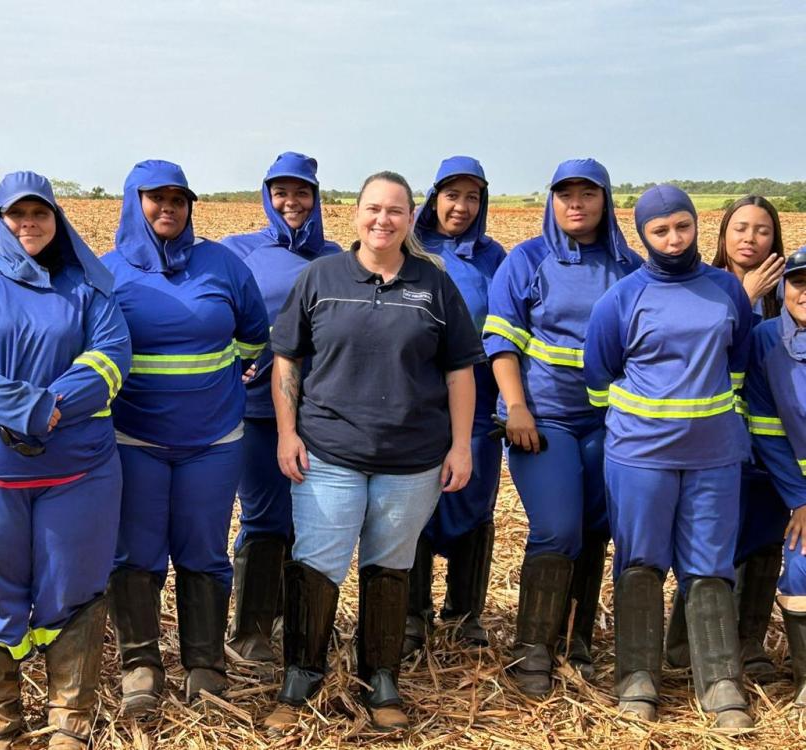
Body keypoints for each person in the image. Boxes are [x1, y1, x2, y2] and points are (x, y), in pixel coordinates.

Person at [263, 171, 480, 732]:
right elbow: (287, 357)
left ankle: (381, 677)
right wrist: (287, 432)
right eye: (373, 209)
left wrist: (461, 445)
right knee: (316, 563)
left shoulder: (434, 286)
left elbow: (459, 370)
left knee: (390, 565)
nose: (383, 220)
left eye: (395, 210)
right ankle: (301, 676)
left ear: (410, 219)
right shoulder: (321, 277)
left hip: (412, 459)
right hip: (329, 451)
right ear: (355, 213)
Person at [0, 171, 131, 750]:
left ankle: (70, 716)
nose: (28, 224)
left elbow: (111, 358)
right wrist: (25, 408)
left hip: (78, 474)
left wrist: (50, 407)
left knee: (74, 581)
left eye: (40, 214)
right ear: (0, 220)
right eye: (17, 214)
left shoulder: (87, 289)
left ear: (56, 220)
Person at [585, 185, 754, 728]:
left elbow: (738, 360)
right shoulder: (622, 298)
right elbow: (599, 373)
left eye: (683, 226)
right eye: (660, 231)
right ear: (643, 234)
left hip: (714, 454)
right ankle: (637, 679)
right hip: (639, 456)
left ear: (696, 224)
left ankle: (721, 683)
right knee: (640, 561)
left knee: (710, 564)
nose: (674, 239)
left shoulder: (727, 290)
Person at [103, 160, 269, 713]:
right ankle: (141, 666)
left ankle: (204, 662)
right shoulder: (107, 273)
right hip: (135, 439)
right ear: (134, 202)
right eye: (156, 198)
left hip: (213, 440)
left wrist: (220, 380)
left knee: (203, 548)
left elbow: (253, 336)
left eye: (178, 199)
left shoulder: (222, 264)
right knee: (136, 551)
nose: (168, 208)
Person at [482, 158, 642, 694]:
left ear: (605, 200)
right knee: (557, 527)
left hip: (610, 422)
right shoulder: (527, 260)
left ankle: (577, 641)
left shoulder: (630, 267)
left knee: (596, 528)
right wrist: (516, 408)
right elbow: (502, 340)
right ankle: (532, 650)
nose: (576, 204)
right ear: (552, 200)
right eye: (565, 194)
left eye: (588, 194)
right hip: (543, 419)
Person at [220, 152, 341, 663]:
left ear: (316, 196)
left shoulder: (336, 258)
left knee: (307, 518)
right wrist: (235, 363)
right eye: (281, 192)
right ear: (267, 196)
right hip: (256, 410)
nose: (292, 202)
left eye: (302, 192)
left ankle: (293, 621)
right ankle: (249, 631)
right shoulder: (238, 251)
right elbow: (215, 314)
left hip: (319, 411)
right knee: (264, 514)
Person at [664, 196, 788, 682]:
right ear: (722, 235)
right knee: (712, 535)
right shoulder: (703, 287)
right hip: (712, 435)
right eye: (740, 228)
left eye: (762, 230)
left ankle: (749, 642)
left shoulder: (790, 292)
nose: (750, 238)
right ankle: (685, 643)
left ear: (775, 240)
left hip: (772, 440)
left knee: (765, 535)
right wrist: (744, 296)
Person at [404, 155, 506, 655]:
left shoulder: (494, 257)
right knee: (414, 497)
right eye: (452, 195)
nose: (461, 207)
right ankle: (412, 613)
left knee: (474, 493)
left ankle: (466, 613)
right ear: (434, 198)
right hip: (418, 395)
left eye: (472, 197)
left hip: (480, 395)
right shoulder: (411, 250)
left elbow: (508, 324)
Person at [743, 247, 806, 709]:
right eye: (800, 282)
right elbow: (765, 429)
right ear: (784, 287)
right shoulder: (765, 340)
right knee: (801, 568)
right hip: (800, 495)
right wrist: (800, 499)